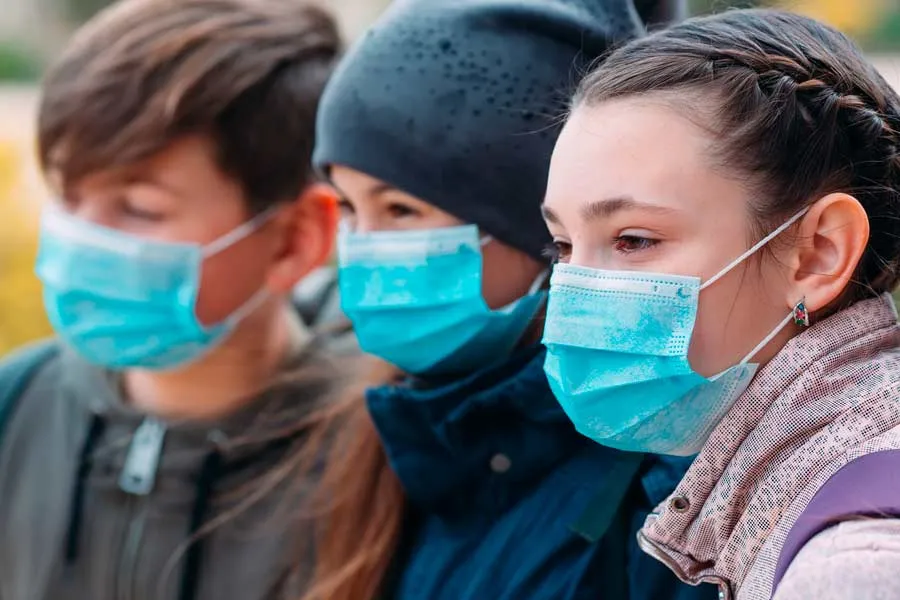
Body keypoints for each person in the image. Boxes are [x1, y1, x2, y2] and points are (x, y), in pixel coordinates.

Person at [303, 1, 718, 599]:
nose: (362, 249)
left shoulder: (668, 503)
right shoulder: (395, 440)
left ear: (547, 236)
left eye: (400, 209)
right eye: (347, 208)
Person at [540, 8, 900, 600]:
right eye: (562, 245)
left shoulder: (852, 566)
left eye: (634, 240)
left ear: (818, 255)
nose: (575, 295)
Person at [0, 0, 348, 598]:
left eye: (139, 209)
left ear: (294, 239)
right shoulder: (17, 405)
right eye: (67, 195)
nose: (83, 237)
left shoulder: (370, 463)